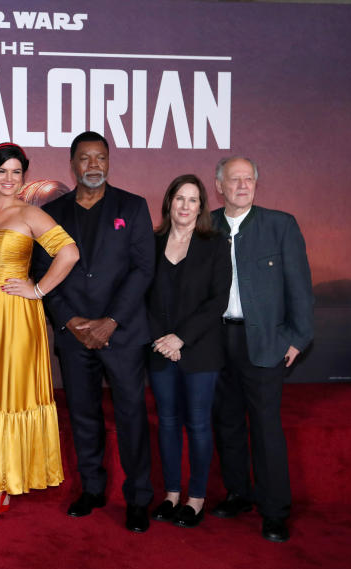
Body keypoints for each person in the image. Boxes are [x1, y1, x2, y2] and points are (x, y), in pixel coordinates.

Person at [32, 131, 155, 532]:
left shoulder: (133, 207)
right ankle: (92, 489)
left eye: (100, 157)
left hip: (121, 332)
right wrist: (69, 321)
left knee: (132, 415)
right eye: (84, 159)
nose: (93, 165)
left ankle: (138, 498)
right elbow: (41, 273)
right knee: (84, 416)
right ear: (72, 163)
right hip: (74, 333)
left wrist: (111, 321)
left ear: (108, 161)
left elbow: (143, 269)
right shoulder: (53, 211)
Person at [0, 143, 79, 523]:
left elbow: (69, 253)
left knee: (9, 395)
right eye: (2, 172)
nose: (10, 179)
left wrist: (38, 290)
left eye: (17, 172)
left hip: (16, 314)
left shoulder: (31, 214)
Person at [210, 157, 313, 543]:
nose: (242, 185)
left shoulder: (280, 225)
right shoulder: (208, 226)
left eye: (248, 179)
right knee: (228, 423)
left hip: (267, 343)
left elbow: (300, 286)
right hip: (219, 342)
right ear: (218, 186)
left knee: (267, 429)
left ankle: (274, 512)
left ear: (256, 183)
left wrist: (298, 338)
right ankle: (238, 494)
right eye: (233, 179)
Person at [145, 175, 231, 528]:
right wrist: (161, 340)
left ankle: (195, 499)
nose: (184, 206)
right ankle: (171, 495)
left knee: (197, 424)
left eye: (192, 200)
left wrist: (180, 338)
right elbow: (140, 294)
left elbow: (217, 302)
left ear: (201, 207)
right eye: (179, 198)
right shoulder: (151, 242)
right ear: (168, 203)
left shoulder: (215, 245)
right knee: (166, 423)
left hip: (199, 350)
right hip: (158, 349)